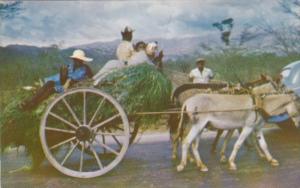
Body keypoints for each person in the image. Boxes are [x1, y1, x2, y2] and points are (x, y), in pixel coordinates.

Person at [21, 49, 93, 111]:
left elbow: (76, 78)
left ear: (81, 61)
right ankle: (31, 101)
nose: (76, 61)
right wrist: (62, 74)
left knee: (51, 90)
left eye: (78, 60)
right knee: (49, 83)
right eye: (75, 60)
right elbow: (61, 77)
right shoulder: (71, 66)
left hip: (72, 86)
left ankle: (34, 104)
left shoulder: (84, 69)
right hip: (65, 83)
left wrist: (67, 78)